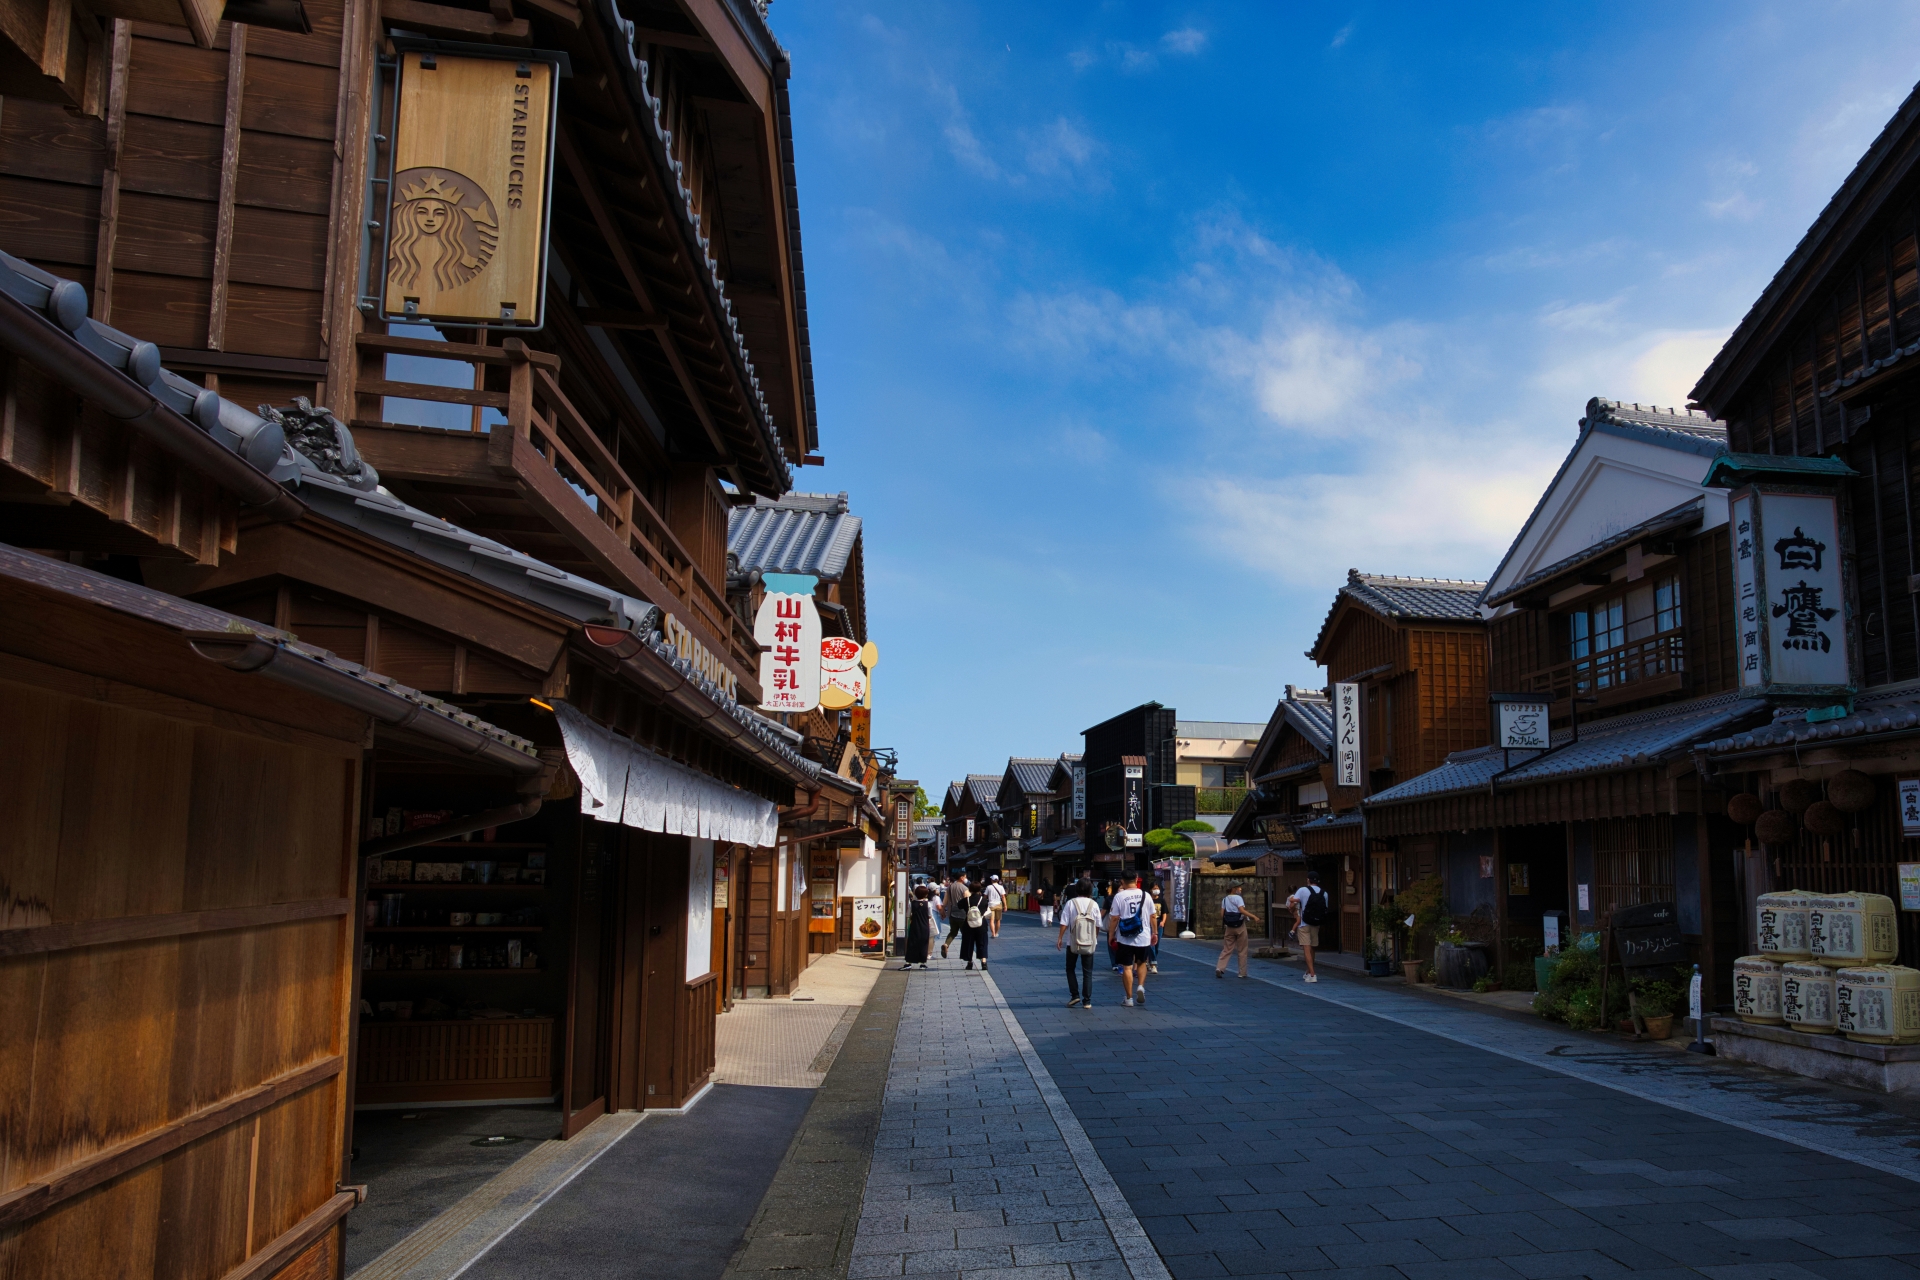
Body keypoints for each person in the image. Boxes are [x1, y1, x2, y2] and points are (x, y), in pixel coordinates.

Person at [1107, 873, 1157, 1007]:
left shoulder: (1119, 896)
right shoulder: (1146, 895)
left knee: (1127, 967)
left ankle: (1129, 999)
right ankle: (1140, 986)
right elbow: (1153, 916)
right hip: (1143, 936)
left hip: (1125, 938)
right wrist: (1155, 932)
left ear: (1122, 881)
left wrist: (1111, 935)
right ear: (1136, 880)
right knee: (1141, 963)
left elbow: (1114, 918)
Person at [1055, 881, 1102, 1007]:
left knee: (1070, 968)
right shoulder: (1094, 904)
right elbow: (1098, 925)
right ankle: (1087, 1001)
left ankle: (1075, 995)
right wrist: (1094, 938)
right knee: (1088, 972)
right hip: (1089, 942)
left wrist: (1060, 937)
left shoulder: (1071, 903)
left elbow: (1064, 922)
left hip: (1073, 942)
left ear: (1077, 889)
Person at [1291, 870, 1330, 983]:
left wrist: (1290, 900)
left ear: (1308, 880)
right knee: (1312, 948)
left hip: (1304, 923)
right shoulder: (1324, 893)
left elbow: (1295, 902)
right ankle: (1308, 972)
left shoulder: (1303, 890)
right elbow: (1325, 909)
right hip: (1316, 923)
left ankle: (1312, 974)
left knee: (1306, 948)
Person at [1215, 882, 1250, 979]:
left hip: (1229, 927)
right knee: (1242, 950)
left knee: (1226, 949)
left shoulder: (1225, 899)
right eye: (1239, 887)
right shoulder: (1238, 898)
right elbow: (1242, 910)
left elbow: (1222, 914)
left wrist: (1228, 921)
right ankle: (1242, 972)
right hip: (1240, 926)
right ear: (1234, 888)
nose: (1240, 889)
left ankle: (1220, 968)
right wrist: (1253, 917)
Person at [957, 875, 990, 970]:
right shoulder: (983, 900)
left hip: (968, 924)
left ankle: (970, 962)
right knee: (982, 943)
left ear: (970, 889)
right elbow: (986, 909)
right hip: (981, 924)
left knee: (968, 943)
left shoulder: (966, 900)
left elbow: (959, 906)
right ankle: (983, 962)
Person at [902, 883, 933, 969]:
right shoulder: (928, 904)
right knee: (923, 944)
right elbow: (930, 916)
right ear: (926, 894)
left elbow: (907, 915)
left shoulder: (912, 904)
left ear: (915, 893)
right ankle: (922, 963)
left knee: (912, 944)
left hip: (914, 926)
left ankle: (909, 962)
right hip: (925, 926)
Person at [939, 871, 968, 959]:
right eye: (965, 877)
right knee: (966, 933)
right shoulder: (964, 888)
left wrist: (943, 911)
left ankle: (946, 944)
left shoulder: (950, 887)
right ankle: (966, 952)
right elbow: (968, 901)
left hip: (952, 913)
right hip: (963, 913)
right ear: (962, 878)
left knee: (953, 932)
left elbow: (944, 901)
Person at [1149, 884, 1168, 974]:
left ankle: (1151, 960)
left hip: (1159, 923)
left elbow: (1164, 912)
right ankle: (1153, 964)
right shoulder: (1148, 900)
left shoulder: (1162, 900)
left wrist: (1163, 921)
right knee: (1151, 944)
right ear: (1150, 890)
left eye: (1157, 888)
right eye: (1154, 888)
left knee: (1156, 945)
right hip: (1149, 924)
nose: (1156, 890)